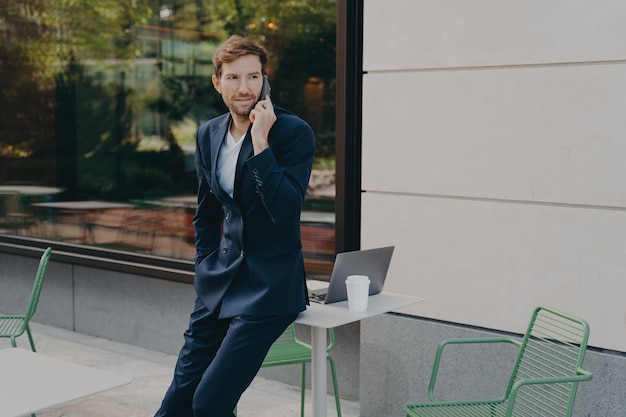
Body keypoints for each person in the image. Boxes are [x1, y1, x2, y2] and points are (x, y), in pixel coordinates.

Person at [154, 35, 315, 417]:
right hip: (219, 279)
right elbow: (207, 212)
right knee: (179, 395)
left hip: (269, 287)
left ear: (264, 80)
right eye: (233, 78)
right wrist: (204, 265)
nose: (245, 88)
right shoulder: (209, 133)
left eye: (254, 77)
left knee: (210, 401)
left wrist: (261, 143)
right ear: (217, 82)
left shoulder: (293, 133)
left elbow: (284, 210)